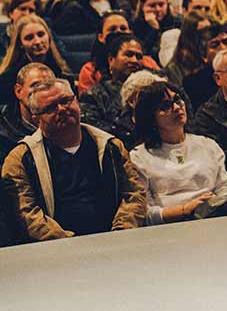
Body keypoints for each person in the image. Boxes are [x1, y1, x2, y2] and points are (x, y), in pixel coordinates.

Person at [2, 78, 145, 241]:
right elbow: (27, 215)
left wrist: (121, 232)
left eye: (65, 101)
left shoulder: (111, 146)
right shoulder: (20, 159)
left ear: (76, 101)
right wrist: (71, 243)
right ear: (36, 119)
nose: (61, 109)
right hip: (57, 250)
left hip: (115, 239)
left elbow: (133, 194)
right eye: (50, 108)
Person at [130, 80, 227, 224]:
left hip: (214, 219)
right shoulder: (139, 157)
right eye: (165, 106)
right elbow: (145, 213)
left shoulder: (208, 145)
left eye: (177, 100)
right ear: (151, 118)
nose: (177, 107)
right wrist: (186, 209)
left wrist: (223, 208)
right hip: (170, 227)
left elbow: (224, 188)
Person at [79, 33, 147, 145]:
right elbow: (94, 131)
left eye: (139, 57)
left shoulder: (153, 88)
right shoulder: (93, 95)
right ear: (111, 60)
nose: (135, 60)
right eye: (128, 55)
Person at [0, 16, 72, 105]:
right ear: (20, 44)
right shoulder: (8, 79)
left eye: (41, 35)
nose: (37, 41)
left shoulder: (63, 71)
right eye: (29, 38)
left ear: (49, 37)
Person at [0, 63, 56, 162]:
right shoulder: (2, 129)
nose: (42, 91)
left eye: (48, 85)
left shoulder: (66, 121)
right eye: (36, 85)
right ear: (18, 91)